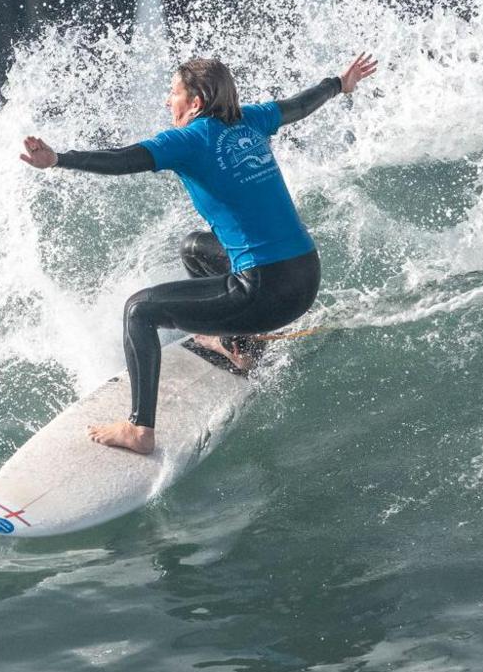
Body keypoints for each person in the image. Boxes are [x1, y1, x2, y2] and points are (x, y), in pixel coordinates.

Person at [19, 53, 378, 454]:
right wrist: (339, 84)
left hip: (264, 291)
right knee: (194, 247)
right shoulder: (252, 119)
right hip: (305, 275)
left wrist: (58, 160)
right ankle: (241, 345)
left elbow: (123, 160)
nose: (167, 102)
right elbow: (299, 105)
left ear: (195, 102)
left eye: (173, 93)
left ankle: (139, 430)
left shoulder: (188, 140)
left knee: (139, 310)